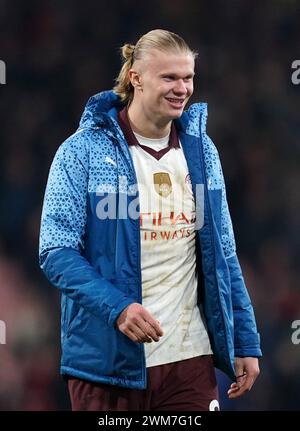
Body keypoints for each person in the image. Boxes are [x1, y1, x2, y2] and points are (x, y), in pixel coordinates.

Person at [39, 29, 261, 411]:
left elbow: (223, 253)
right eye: (169, 78)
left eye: (188, 77)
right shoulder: (83, 151)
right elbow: (55, 251)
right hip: (107, 366)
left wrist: (245, 340)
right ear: (135, 77)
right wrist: (118, 308)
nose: (182, 88)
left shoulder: (202, 151)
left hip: (189, 360)